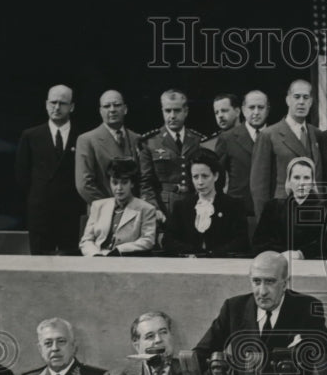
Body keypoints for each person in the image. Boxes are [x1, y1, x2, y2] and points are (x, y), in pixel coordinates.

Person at [192, 252, 327, 375]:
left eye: (270, 282)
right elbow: (200, 354)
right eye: (256, 281)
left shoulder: (306, 308)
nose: (262, 291)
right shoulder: (234, 308)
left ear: (285, 283)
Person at [15, 83, 85, 254]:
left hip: (71, 213)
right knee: (40, 262)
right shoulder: (31, 136)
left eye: (62, 103)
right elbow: (22, 176)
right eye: (53, 102)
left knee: (70, 261)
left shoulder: (83, 137)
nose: (57, 107)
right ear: (46, 104)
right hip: (40, 213)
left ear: (72, 107)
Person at [249, 80, 324, 220]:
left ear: (311, 102)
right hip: (282, 215)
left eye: (305, 97)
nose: (301, 102)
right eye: (296, 97)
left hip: (312, 214)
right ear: (288, 100)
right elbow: (259, 187)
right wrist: (264, 222)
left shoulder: (317, 134)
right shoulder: (269, 135)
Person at [137, 89, 205, 227]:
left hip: (194, 205)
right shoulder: (150, 142)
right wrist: (153, 208)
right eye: (168, 111)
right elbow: (145, 183)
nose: (172, 116)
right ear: (162, 111)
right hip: (164, 207)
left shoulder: (198, 140)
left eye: (177, 110)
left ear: (186, 111)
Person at [165, 148, 249, 257]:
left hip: (222, 263)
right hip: (188, 263)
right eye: (195, 177)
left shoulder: (233, 206)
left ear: (215, 176)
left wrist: (212, 254)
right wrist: (194, 253)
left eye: (205, 176)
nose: (200, 182)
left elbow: (241, 242)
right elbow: (168, 241)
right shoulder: (181, 206)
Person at [75, 89, 142, 207]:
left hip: (135, 210)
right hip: (103, 210)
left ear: (125, 109)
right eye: (107, 106)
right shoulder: (87, 140)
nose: (112, 109)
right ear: (100, 111)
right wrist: (111, 207)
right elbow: (84, 185)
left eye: (117, 105)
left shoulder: (136, 138)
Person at [251, 156, 327, 260]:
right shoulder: (273, 208)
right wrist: (282, 254)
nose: (301, 183)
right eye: (296, 177)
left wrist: (301, 254)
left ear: (312, 182)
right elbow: (259, 243)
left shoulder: (326, 208)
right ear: (289, 181)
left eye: (306, 178)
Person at [78, 157, 158, 256]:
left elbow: (148, 241)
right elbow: (86, 240)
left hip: (126, 259)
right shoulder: (98, 206)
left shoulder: (146, 209)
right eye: (115, 183)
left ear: (132, 184)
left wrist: (119, 250)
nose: (119, 188)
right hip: (97, 258)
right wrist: (95, 254)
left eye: (124, 183)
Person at [216, 89, 269, 219]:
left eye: (260, 107)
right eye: (251, 107)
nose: (256, 112)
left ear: (267, 110)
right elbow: (217, 177)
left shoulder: (275, 136)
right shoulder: (228, 139)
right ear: (243, 110)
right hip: (238, 213)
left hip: (269, 212)